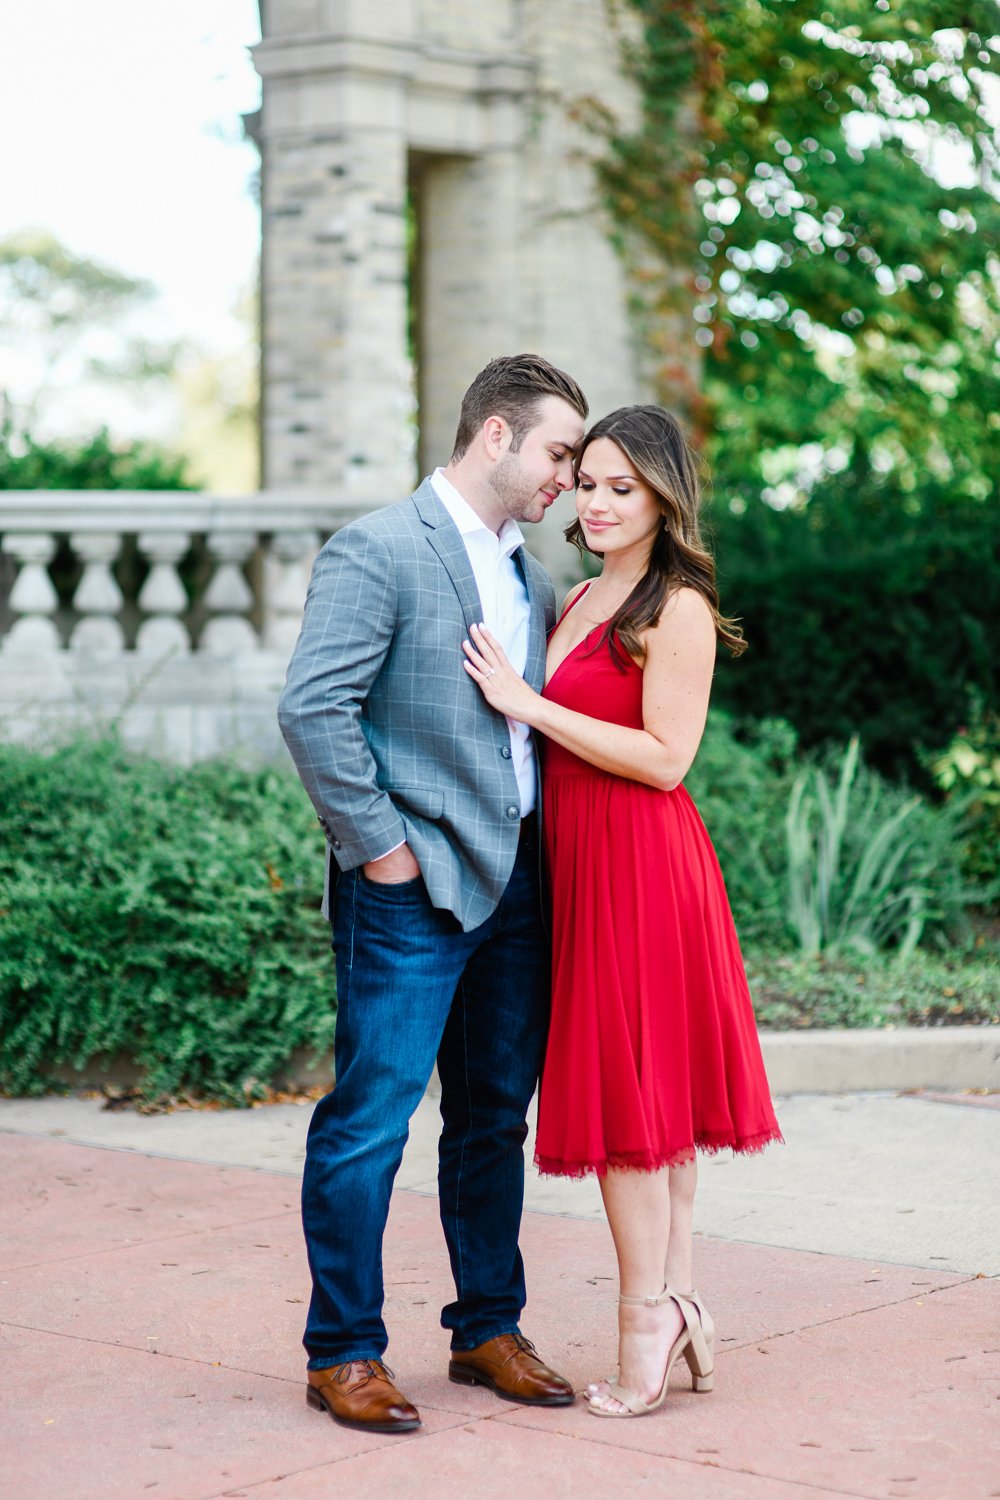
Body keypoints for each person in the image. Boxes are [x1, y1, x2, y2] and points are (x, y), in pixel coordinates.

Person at [278, 354, 588, 1435]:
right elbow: (315, 709)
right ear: (494, 436)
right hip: (409, 891)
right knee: (370, 1122)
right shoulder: (378, 547)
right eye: (557, 452)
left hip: (517, 892)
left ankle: (486, 1328)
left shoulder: (528, 580)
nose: (569, 477)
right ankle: (343, 1351)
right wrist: (382, 854)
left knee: (493, 1120)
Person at [463, 403, 783, 1420]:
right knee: (652, 1107)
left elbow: (665, 758)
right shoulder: (584, 595)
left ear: (661, 497)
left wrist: (531, 704)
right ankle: (679, 1298)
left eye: (620, 488)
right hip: (586, 866)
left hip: (646, 868)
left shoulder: (672, 604)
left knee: (630, 1111)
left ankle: (644, 1317)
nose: (596, 503)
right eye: (587, 483)